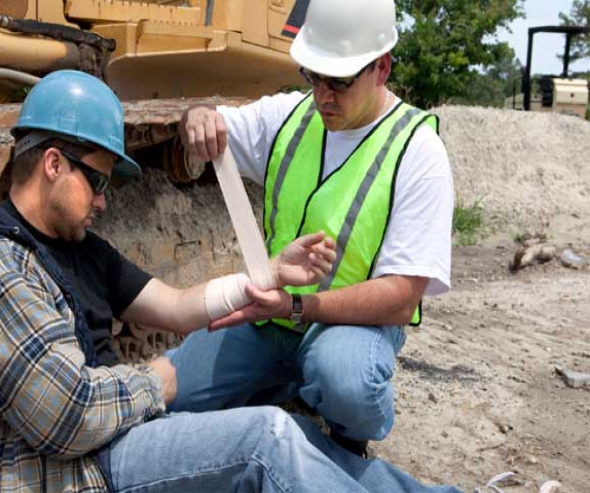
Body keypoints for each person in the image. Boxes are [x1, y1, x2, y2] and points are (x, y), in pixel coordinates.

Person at [0, 69, 462, 493]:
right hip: (46, 473)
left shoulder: (76, 248)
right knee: (264, 438)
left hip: (91, 447)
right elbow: (69, 418)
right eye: (99, 181)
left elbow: (176, 307)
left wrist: (267, 275)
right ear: (54, 164)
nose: (105, 201)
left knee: (294, 435)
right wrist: (159, 382)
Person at [167, 0, 454, 456]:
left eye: (339, 81)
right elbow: (208, 123)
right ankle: (281, 386)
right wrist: (197, 116)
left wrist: (300, 305)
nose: (323, 96)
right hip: (270, 316)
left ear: (381, 68)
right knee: (174, 394)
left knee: (346, 380)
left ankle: (347, 437)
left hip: (350, 328)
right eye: (313, 76)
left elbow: (402, 296)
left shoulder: (417, 150)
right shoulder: (291, 116)